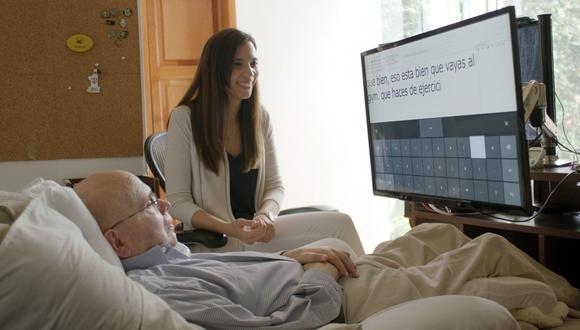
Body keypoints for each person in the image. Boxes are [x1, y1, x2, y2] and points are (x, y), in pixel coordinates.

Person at [75, 171, 579, 329]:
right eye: (150, 204)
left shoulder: (172, 256)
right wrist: (319, 270)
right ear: (117, 239)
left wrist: (292, 257)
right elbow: (273, 326)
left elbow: (249, 277)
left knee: (442, 233)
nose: (168, 212)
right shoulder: (157, 291)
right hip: (334, 295)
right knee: (488, 245)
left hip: (315, 273)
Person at [164, 28, 364, 254]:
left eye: (253, 63)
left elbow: (275, 186)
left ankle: (374, 286)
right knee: (334, 246)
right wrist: (229, 228)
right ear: (216, 68)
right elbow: (177, 202)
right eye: (237, 64)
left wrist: (265, 215)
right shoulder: (185, 118)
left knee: (341, 226)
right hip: (217, 241)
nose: (249, 72)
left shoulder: (259, 118)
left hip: (257, 236)